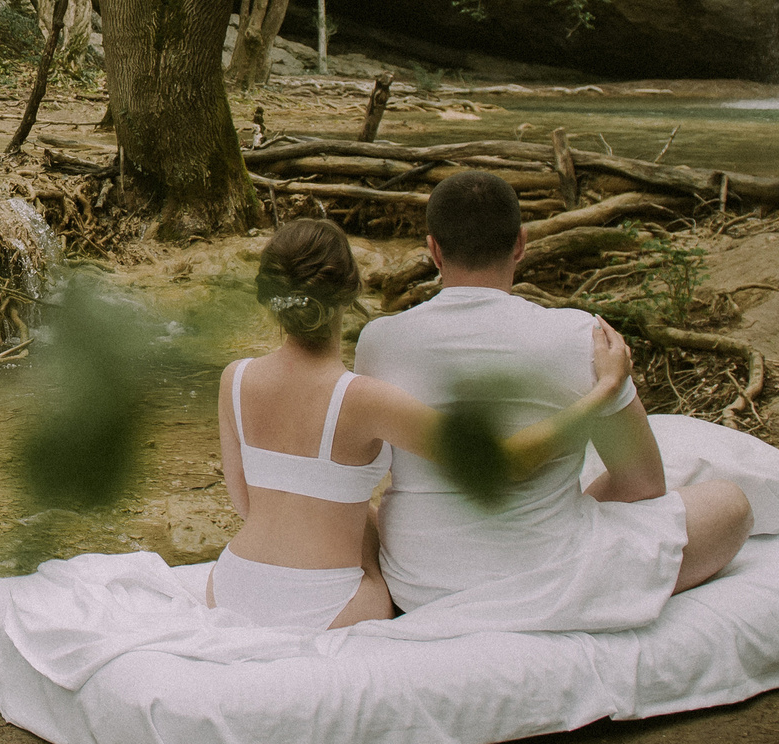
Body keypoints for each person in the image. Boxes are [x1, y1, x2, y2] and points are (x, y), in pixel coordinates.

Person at [354, 169, 752, 628]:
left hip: (419, 584)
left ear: (434, 250)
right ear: (521, 243)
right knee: (730, 505)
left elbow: (365, 473)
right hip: (554, 580)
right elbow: (642, 483)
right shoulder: (583, 336)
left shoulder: (378, 340)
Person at [207, 217, 635, 632]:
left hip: (233, 584)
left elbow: (247, 503)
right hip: (328, 603)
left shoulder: (235, 379)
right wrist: (605, 390)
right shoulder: (365, 399)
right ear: (352, 289)